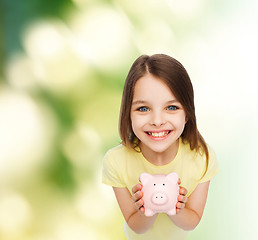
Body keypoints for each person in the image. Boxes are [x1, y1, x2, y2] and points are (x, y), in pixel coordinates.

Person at [102, 54, 218, 240]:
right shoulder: (116, 161)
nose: (157, 121)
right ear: (128, 113)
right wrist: (147, 208)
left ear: (187, 113)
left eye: (171, 108)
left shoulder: (201, 157)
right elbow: (136, 227)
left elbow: (193, 221)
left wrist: (174, 207)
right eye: (143, 109)